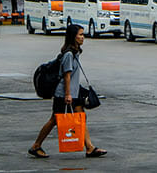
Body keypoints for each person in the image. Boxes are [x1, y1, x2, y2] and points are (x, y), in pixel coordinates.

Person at [29, 24, 107, 159]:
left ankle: (90, 148)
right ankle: (36, 146)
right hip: (65, 93)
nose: (83, 37)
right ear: (73, 37)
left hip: (74, 92)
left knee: (80, 117)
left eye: (83, 35)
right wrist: (68, 94)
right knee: (54, 119)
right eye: (80, 35)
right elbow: (67, 76)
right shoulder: (69, 55)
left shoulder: (75, 52)